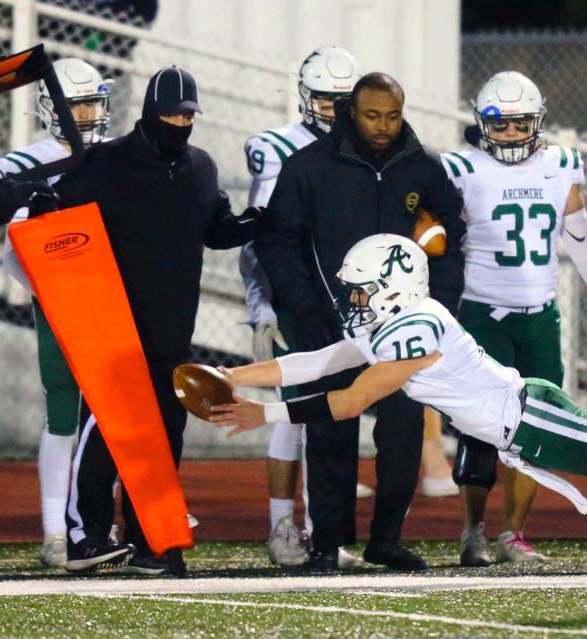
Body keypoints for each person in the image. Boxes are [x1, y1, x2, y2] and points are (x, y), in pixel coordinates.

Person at [206, 234, 587, 543]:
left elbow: (353, 398)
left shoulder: (416, 327)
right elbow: (312, 363)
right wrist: (232, 377)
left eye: (360, 289)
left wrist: (266, 416)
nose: (352, 300)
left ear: (391, 287)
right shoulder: (393, 323)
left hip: (532, 419)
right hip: (521, 422)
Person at [253, 72, 466, 573]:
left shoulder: (423, 166)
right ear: (351, 111)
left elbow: (451, 235)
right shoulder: (309, 167)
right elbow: (277, 242)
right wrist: (308, 309)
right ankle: (326, 544)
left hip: (398, 329)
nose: (384, 126)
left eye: (392, 116)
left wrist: (442, 308)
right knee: (329, 430)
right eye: (372, 115)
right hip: (330, 323)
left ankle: (386, 540)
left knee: (403, 430)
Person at [53, 65, 261, 575]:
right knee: (104, 434)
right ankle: (85, 537)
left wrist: (265, 219)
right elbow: (56, 223)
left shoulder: (201, 167)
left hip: (172, 333)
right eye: (171, 112)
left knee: (165, 440)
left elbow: (216, 231)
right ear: (150, 110)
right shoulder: (107, 162)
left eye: (188, 114)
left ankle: (151, 542)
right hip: (114, 328)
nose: (179, 122)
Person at [441, 71, 587, 567]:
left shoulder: (560, 165)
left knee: (535, 427)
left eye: (519, 124)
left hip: (539, 318)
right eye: (499, 125)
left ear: (537, 122)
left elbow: (582, 240)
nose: (509, 135)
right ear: (482, 124)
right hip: (481, 316)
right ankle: (471, 532)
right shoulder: (461, 168)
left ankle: (514, 533)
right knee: (480, 428)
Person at [240, 45, 369, 570]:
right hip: (299, 301)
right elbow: (259, 239)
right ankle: (282, 525)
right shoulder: (277, 148)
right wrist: (261, 307)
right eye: (325, 98)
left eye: (344, 99)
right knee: (298, 416)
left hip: (352, 302)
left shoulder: (370, 148)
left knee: (338, 414)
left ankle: (326, 534)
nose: (335, 109)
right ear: (304, 96)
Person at [0, 57, 112, 569]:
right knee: (63, 413)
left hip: (117, 300)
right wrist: (54, 289)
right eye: (76, 102)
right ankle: (53, 532)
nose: (86, 113)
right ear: (50, 108)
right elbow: (13, 251)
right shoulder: (22, 164)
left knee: (117, 415)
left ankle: (104, 524)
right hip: (60, 301)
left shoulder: (119, 156)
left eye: (91, 101)